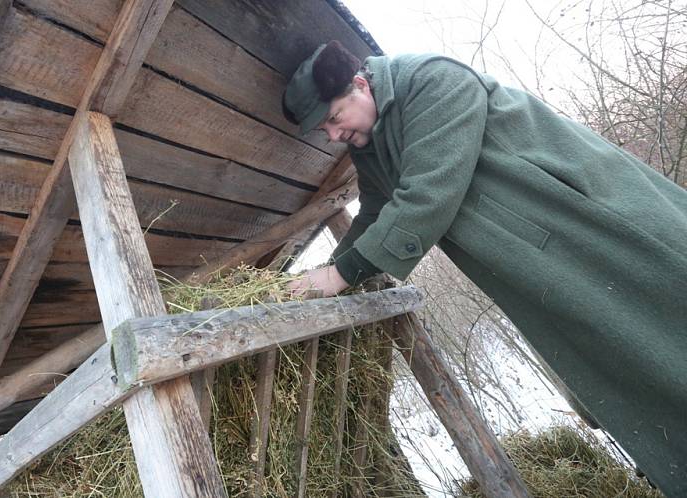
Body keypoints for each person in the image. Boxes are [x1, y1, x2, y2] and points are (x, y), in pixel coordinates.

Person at [282, 40, 687, 495]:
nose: (334, 135)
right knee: (617, 355)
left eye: (335, 119)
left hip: (586, 229)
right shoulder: (371, 143)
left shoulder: (433, 79)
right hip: (537, 267)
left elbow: (429, 190)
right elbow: (377, 207)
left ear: (360, 84)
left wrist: (342, 275)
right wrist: (324, 272)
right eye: (326, 131)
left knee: (663, 322)